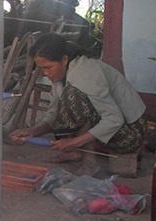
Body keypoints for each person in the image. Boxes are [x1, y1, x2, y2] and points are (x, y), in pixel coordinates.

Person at [9, 33, 147, 177]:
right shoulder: (62, 74)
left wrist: (75, 142)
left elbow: (114, 119)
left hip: (131, 134)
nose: (46, 73)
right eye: (42, 69)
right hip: (113, 131)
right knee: (69, 99)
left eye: (48, 67)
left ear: (64, 59)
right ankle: (75, 153)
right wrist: (33, 131)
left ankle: (89, 162)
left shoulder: (85, 72)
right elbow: (54, 113)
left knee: (73, 96)